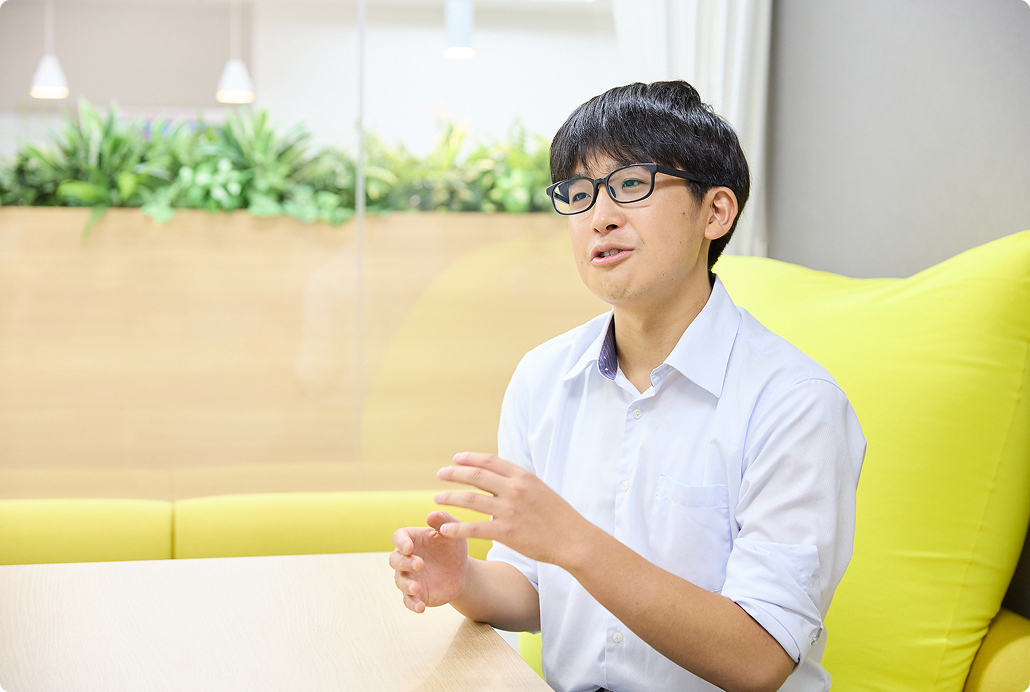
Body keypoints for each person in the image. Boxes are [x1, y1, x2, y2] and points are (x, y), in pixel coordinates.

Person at [389, 81, 865, 692]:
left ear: (716, 213)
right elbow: (536, 588)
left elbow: (760, 659)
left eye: (632, 185)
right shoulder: (543, 377)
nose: (600, 217)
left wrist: (574, 541)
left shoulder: (795, 401)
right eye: (578, 194)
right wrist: (465, 582)